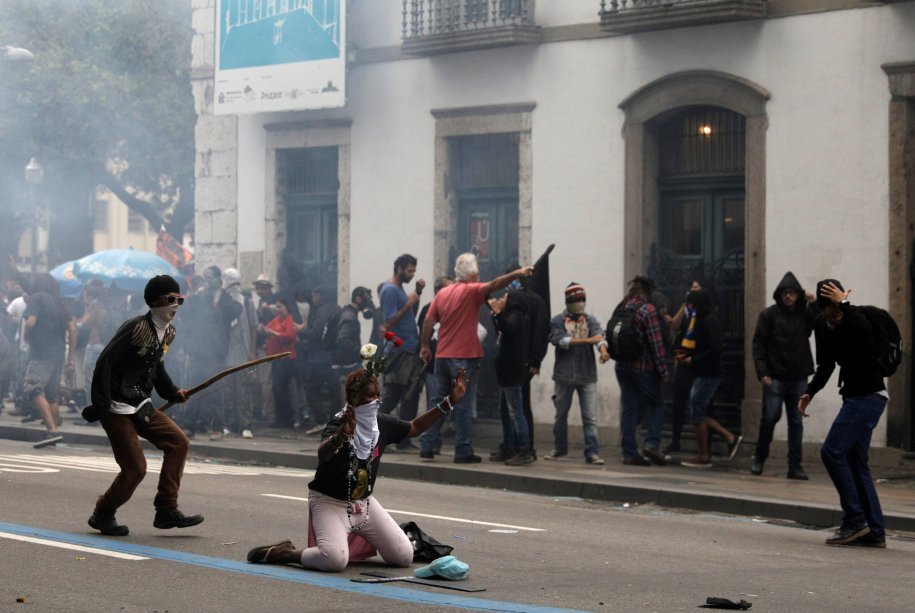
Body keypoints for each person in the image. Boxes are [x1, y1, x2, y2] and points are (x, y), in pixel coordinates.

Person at [246, 362, 468, 572]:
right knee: (334, 560)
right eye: (369, 396)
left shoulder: (380, 424)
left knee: (403, 556)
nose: (375, 400)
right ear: (353, 398)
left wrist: (449, 402)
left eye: (377, 395)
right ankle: (284, 554)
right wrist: (341, 436)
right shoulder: (339, 422)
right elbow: (323, 453)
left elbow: (415, 427)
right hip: (329, 502)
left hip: (364, 504)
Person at [85, 275, 201, 536]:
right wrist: (102, 405)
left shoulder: (168, 333)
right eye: (170, 299)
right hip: (115, 406)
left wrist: (173, 392)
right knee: (135, 468)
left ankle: (166, 509)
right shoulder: (135, 327)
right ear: (153, 301)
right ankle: (103, 513)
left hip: (141, 404)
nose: (175, 305)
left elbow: (156, 368)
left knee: (179, 443)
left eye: (179, 300)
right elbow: (105, 363)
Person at [798, 280, 889, 548]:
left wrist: (847, 306)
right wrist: (810, 392)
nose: (835, 311)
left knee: (832, 451)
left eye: (838, 305)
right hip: (854, 397)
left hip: (870, 395)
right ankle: (874, 532)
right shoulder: (821, 326)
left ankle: (854, 521)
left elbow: (867, 339)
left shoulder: (855, 317)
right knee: (855, 462)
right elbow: (826, 364)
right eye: (830, 307)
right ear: (821, 307)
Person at [418, 253, 533, 463]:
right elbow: (496, 283)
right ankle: (462, 450)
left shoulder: (443, 293)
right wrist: (519, 272)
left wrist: (425, 346)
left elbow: (428, 320)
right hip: (464, 357)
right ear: (471, 274)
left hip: (442, 355)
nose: (480, 275)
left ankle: (427, 445)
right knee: (462, 404)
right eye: (478, 272)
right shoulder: (471, 290)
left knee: (437, 403)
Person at [750, 272, 817, 479]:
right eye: (785, 293)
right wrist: (763, 372)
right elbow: (758, 344)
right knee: (770, 417)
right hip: (775, 375)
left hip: (798, 376)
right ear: (779, 295)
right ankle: (759, 458)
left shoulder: (804, 315)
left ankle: (795, 466)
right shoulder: (768, 315)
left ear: (798, 295)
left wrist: (812, 300)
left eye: (792, 293)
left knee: (796, 421)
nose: (788, 296)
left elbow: (818, 320)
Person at [676, 289, 743, 468]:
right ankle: (727, 439)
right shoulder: (696, 321)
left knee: (697, 413)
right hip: (701, 372)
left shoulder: (710, 321)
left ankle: (707, 452)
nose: (689, 307)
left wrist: (693, 359)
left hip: (708, 374)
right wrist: (685, 355)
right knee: (697, 412)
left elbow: (714, 349)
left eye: (691, 304)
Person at [543, 283, 609, 465]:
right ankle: (559, 448)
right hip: (564, 374)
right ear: (568, 301)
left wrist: (603, 350)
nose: (580, 304)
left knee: (590, 416)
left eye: (582, 300)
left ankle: (592, 452)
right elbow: (561, 341)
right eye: (576, 300)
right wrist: (589, 340)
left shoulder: (590, 320)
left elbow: (599, 337)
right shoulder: (558, 321)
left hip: (587, 373)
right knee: (561, 415)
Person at [487, 277, 549, 466]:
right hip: (509, 371)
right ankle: (511, 446)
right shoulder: (514, 314)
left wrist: (498, 314)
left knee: (516, 411)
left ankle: (524, 449)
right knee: (508, 410)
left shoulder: (516, 316)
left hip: (513, 371)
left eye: (506, 296)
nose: (502, 299)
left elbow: (510, 331)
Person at [613, 276, 670, 466]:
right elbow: (655, 343)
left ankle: (629, 453)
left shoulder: (622, 306)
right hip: (643, 367)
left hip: (622, 366)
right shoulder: (647, 310)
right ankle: (652, 444)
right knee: (657, 405)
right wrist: (663, 370)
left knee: (629, 408)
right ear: (647, 292)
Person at [23, 273, 76, 448]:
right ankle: (53, 433)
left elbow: (30, 322)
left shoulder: (37, 297)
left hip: (42, 351)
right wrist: (70, 357)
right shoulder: (61, 302)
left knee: (33, 388)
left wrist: (27, 337)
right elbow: (73, 329)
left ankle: (52, 431)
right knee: (51, 393)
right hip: (59, 352)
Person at [379, 254, 426, 452]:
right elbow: (389, 321)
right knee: (395, 396)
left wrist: (416, 293)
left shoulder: (399, 289)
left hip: (408, 348)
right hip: (400, 351)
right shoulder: (389, 289)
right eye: (409, 271)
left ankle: (402, 439)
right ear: (398, 268)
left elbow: (408, 316)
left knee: (408, 394)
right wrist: (410, 301)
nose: (411, 274)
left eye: (413, 271)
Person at [222, 268, 258, 439]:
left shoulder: (247, 303)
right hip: (227, 354)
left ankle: (246, 425)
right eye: (231, 284)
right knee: (228, 391)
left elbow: (254, 328)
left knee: (245, 391)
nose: (234, 288)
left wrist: (252, 351)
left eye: (237, 284)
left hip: (243, 353)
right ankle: (229, 424)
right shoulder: (222, 303)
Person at [260, 299, 298, 429]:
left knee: (281, 389)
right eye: (277, 307)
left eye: (280, 307)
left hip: (286, 359)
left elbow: (289, 336)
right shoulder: (276, 319)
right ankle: (281, 417)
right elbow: (267, 329)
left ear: (286, 308)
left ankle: (288, 417)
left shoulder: (289, 319)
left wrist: (273, 333)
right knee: (277, 389)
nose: (278, 309)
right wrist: (263, 329)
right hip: (276, 358)